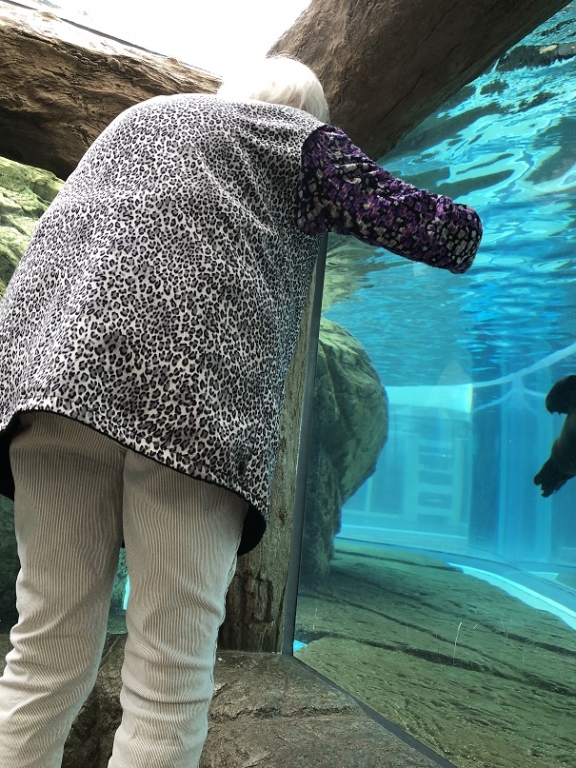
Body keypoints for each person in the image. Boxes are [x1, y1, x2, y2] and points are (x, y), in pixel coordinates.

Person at [0, 55, 482, 768]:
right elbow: (445, 234)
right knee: (171, 665)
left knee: (45, 642)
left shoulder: (137, 120)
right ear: (307, 113)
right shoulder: (298, 140)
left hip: (49, 385)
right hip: (188, 413)